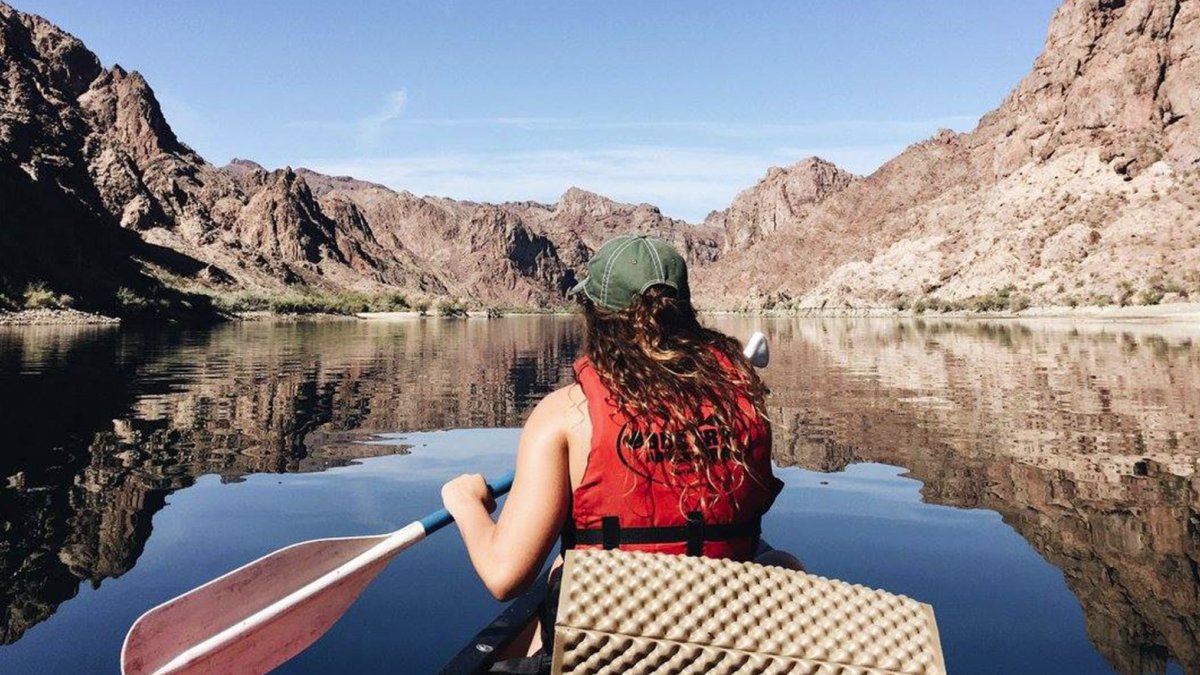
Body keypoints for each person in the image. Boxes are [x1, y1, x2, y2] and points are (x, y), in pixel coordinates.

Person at [441, 234, 795, 665]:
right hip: (715, 643)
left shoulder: (565, 414)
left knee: (562, 573)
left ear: (594, 314)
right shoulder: (745, 400)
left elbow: (503, 576)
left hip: (607, 653)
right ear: (685, 312)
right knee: (782, 562)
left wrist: (465, 503)